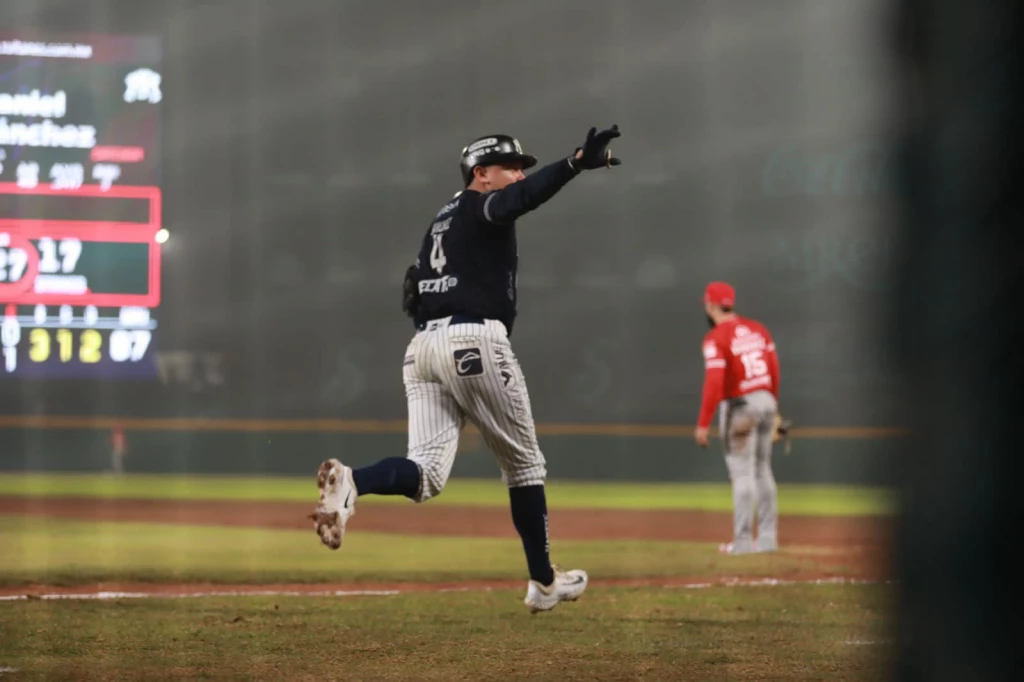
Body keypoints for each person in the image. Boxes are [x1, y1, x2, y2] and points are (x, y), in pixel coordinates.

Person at [309, 126, 623, 612]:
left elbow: (413, 290)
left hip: (423, 350)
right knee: (525, 466)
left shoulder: (442, 219)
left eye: (520, 166)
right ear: (481, 174)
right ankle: (543, 585)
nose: (519, 174)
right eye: (511, 166)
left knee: (427, 475)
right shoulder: (481, 204)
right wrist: (575, 162)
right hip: (471, 340)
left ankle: (353, 482)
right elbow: (519, 200)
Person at [694, 282, 781, 555]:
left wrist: (703, 423)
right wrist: (773, 407)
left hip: (741, 406)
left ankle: (742, 543)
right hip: (766, 399)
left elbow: (715, 381)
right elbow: (774, 369)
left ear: (710, 306)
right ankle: (767, 540)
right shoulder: (758, 329)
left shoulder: (716, 337)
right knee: (763, 470)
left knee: (742, 474)